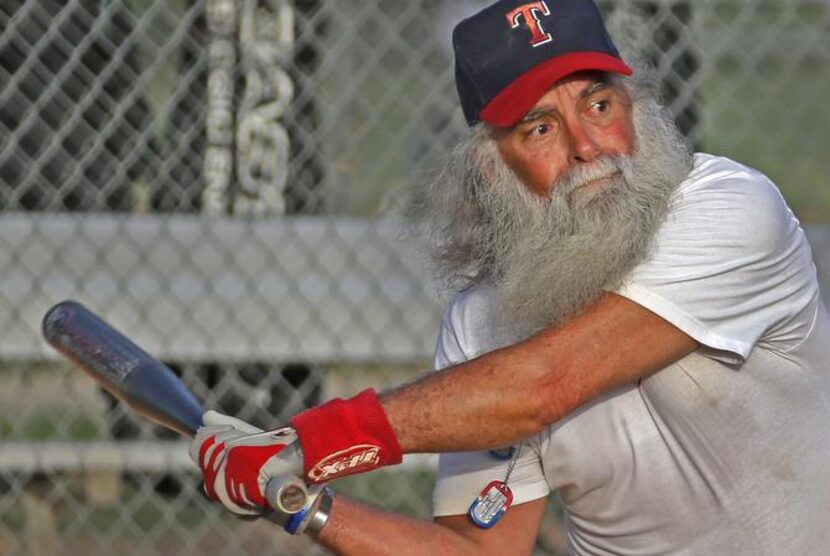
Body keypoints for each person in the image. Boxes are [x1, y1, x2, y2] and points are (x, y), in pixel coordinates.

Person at [190, 0, 830, 553]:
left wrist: (307, 440)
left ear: (638, 112)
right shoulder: (481, 325)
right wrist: (303, 503)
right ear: (493, 171)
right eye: (541, 128)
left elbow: (546, 384)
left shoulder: (731, 208)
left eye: (599, 104)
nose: (587, 147)